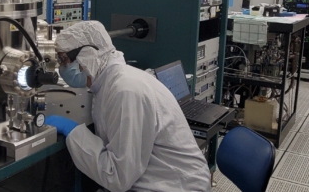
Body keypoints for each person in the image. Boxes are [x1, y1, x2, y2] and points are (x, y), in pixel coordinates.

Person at [45, 21, 211, 192]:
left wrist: (74, 132)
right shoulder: (111, 82)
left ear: (87, 56)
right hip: (155, 178)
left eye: (64, 60)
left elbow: (117, 177)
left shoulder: (125, 91)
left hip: (177, 186)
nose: (62, 68)